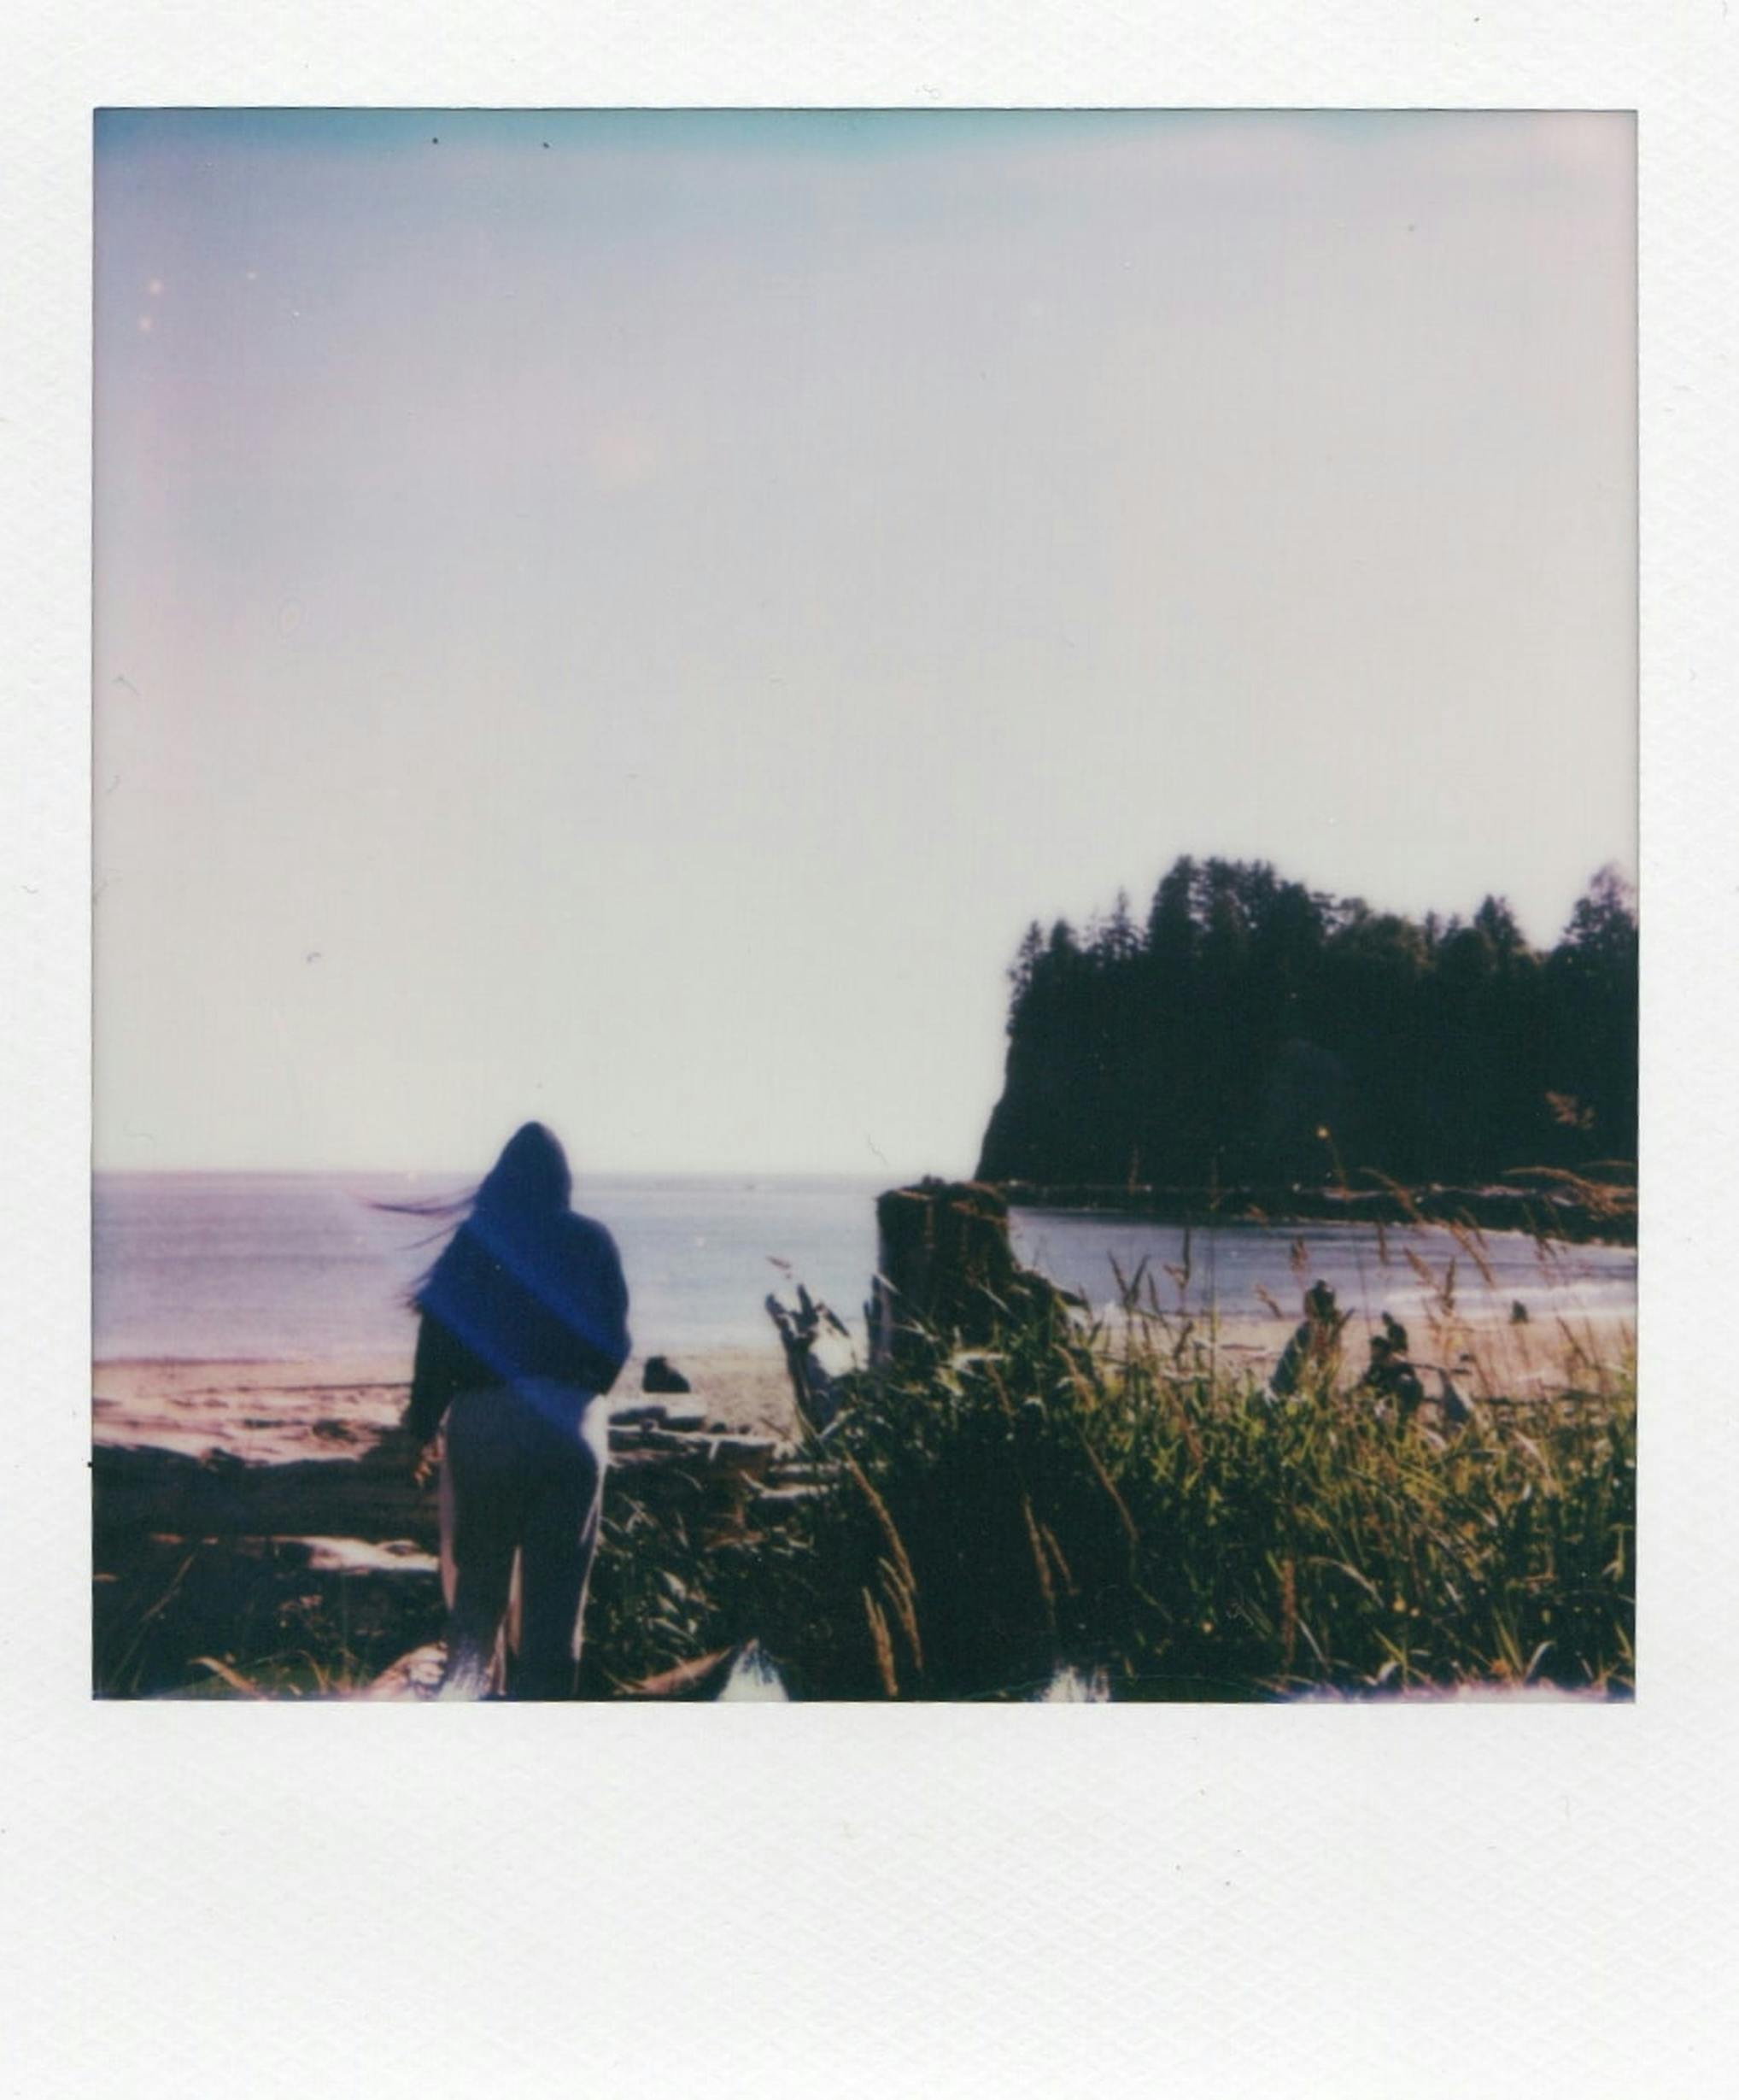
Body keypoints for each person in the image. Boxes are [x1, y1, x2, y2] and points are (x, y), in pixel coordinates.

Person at [397, 1123, 631, 1699]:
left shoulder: (476, 1242)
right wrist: (577, 1396)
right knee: (557, 1606)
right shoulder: (592, 1239)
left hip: (486, 1425)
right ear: (563, 1181)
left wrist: (420, 1427)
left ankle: (469, 1713)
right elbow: (614, 1342)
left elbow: (437, 1347)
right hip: (569, 1426)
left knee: (478, 1595)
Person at [1269, 1280, 1348, 1399]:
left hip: (1288, 1390)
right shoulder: (1331, 1330)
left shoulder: (1307, 1330)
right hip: (1304, 1388)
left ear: (1308, 1307)